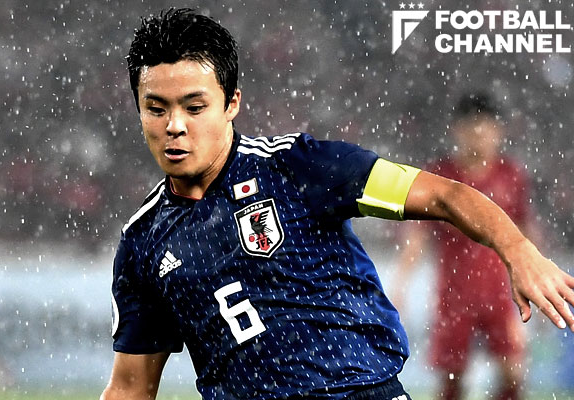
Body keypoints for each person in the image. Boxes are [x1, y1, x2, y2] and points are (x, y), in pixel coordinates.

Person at [101, 8, 574, 400]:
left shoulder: (300, 166)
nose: (175, 125)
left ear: (232, 103)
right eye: (156, 108)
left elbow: (445, 195)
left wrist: (519, 251)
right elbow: (131, 388)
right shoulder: (144, 243)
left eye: (194, 107)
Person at [393, 93, 536, 400]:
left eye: (486, 127)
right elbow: (418, 233)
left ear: (498, 131)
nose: (478, 134)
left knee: (513, 371)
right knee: (452, 379)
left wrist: (534, 282)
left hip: (499, 293)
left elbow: (525, 233)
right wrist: (401, 283)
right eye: (471, 127)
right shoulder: (440, 176)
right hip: (454, 294)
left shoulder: (511, 176)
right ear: (457, 130)